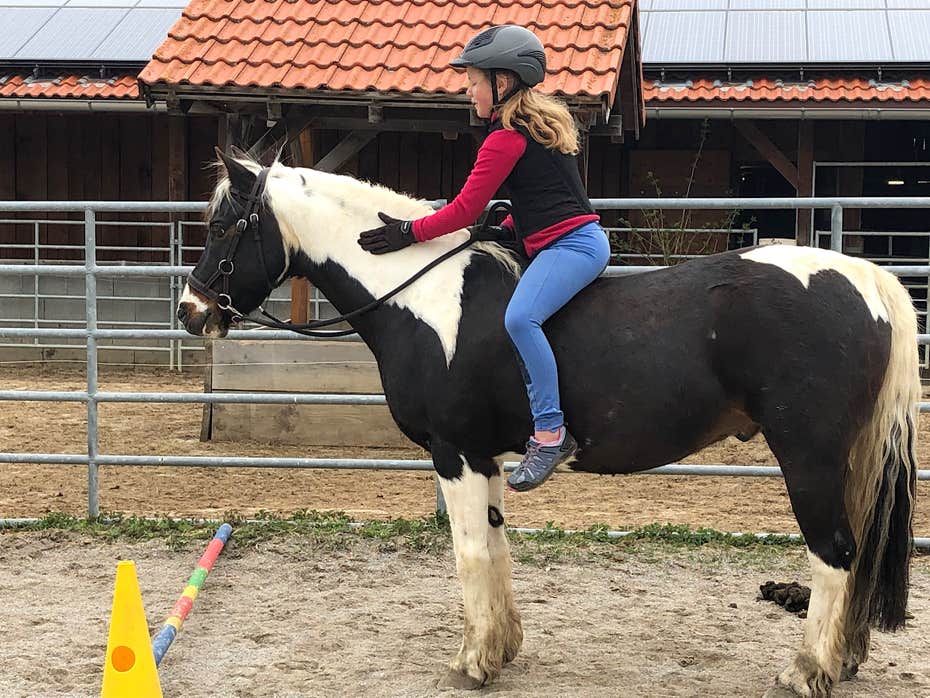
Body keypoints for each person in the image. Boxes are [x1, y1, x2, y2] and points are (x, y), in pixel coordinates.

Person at [357, 25, 610, 492]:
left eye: (474, 80)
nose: (468, 89)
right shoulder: (532, 129)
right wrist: (509, 226)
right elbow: (549, 196)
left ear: (503, 82)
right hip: (567, 240)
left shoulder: (505, 138)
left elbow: (463, 210)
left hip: (570, 247)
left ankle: (550, 433)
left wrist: (408, 232)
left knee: (520, 320)